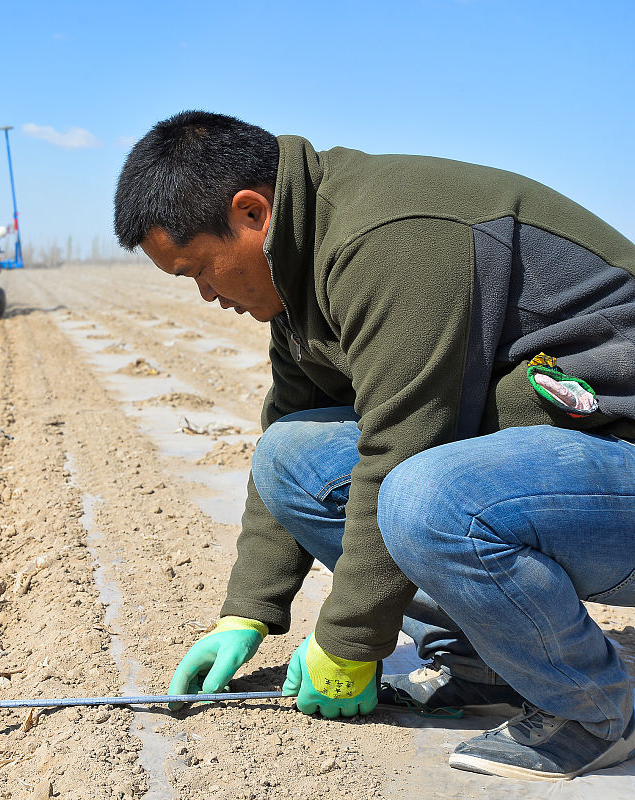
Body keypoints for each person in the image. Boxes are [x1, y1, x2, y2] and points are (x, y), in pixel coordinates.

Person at [113, 110, 635, 780]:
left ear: (250, 214)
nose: (207, 294)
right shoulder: (300, 278)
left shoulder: (389, 240)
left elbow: (400, 449)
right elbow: (291, 428)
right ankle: (482, 658)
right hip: (562, 461)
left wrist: (348, 641)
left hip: (615, 455)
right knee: (289, 458)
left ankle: (594, 709)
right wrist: (245, 612)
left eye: (198, 272)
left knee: (425, 497)